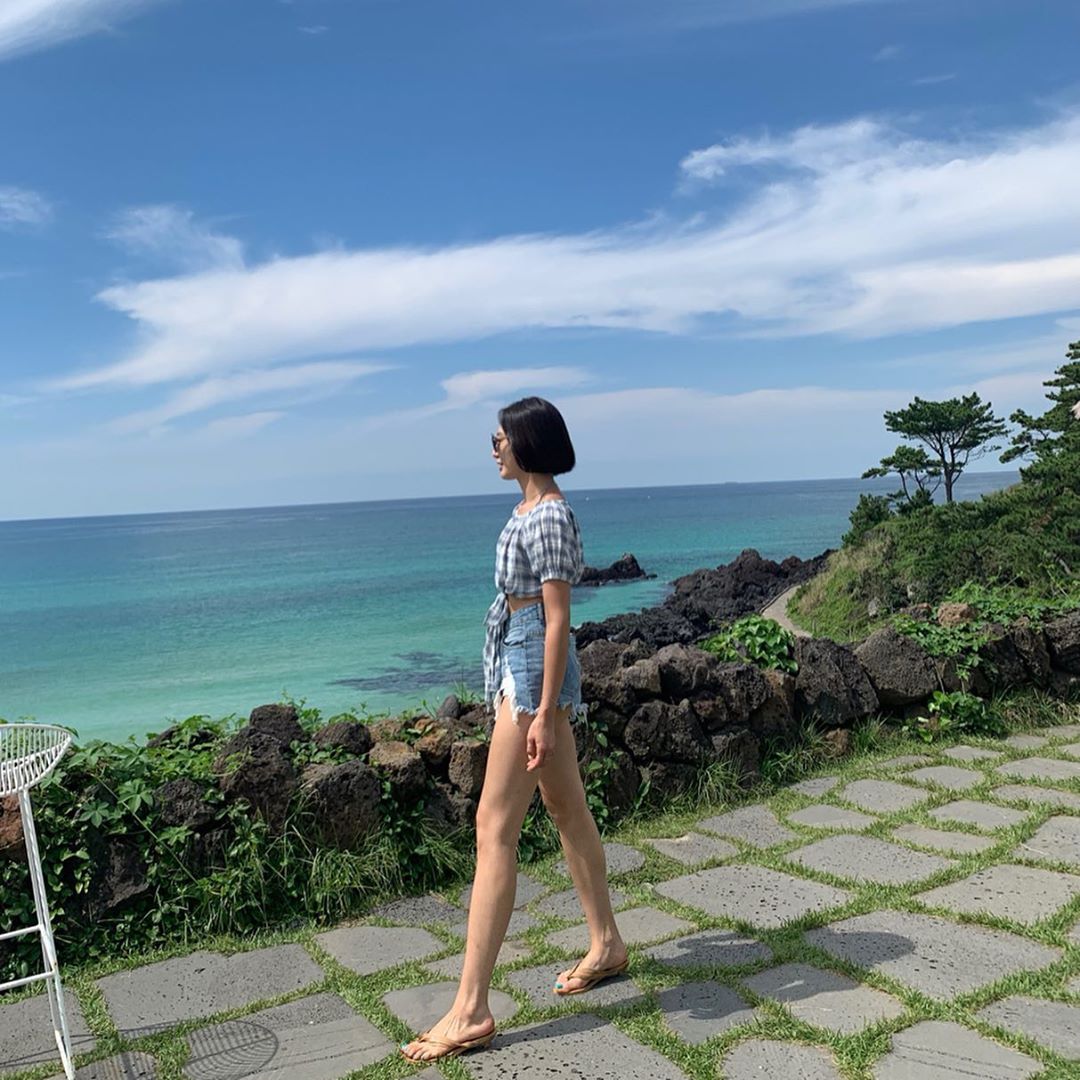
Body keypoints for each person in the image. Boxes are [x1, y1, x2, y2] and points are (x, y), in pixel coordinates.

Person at [400, 396, 628, 1063]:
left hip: (532, 668)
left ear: (528, 442)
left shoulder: (549, 513)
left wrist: (544, 712)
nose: (493, 446)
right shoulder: (528, 509)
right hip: (518, 656)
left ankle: (471, 1009)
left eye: (499, 437)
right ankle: (607, 943)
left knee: (493, 828)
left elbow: (557, 620)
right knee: (566, 808)